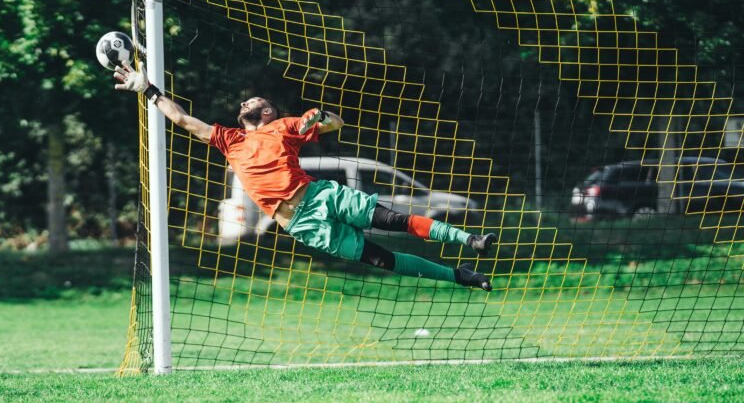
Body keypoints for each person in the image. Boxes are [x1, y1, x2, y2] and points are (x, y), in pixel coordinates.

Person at [114, 62, 497, 291]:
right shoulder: (230, 141)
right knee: (384, 260)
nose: (247, 101)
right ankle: (459, 275)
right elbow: (182, 119)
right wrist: (146, 89)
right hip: (300, 222)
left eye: (255, 101)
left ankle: (471, 240)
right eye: (246, 101)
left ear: (267, 113)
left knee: (394, 220)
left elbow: (335, 122)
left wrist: (320, 117)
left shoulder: (282, 126)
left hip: (320, 196)